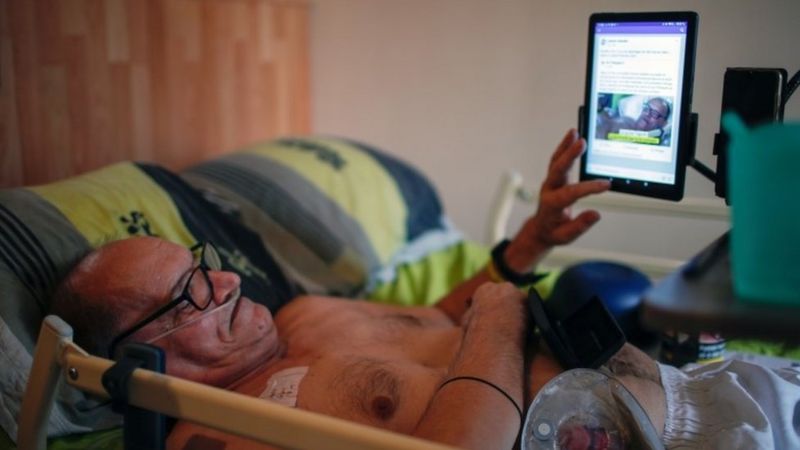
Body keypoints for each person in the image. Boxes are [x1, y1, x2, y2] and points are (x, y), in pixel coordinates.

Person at [51, 129, 800, 450]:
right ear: (137, 354)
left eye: (203, 261)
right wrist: (501, 315)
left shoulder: (305, 312)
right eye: (190, 292)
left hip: (715, 390)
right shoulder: (216, 434)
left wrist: (528, 245)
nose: (224, 278)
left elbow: (434, 319)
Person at [596, 97, 671, 144]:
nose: (647, 114)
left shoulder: (658, 143)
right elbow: (606, 124)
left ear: (664, 123)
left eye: (654, 113)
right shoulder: (628, 122)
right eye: (646, 108)